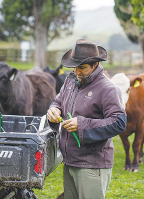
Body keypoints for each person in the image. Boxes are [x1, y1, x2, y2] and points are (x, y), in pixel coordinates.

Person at [47, 39, 127, 199]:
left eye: (82, 68)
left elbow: (119, 122)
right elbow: (58, 100)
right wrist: (53, 109)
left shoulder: (108, 89)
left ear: (95, 65)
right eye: (74, 67)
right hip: (70, 160)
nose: (77, 72)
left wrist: (82, 125)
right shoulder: (70, 81)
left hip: (92, 164)